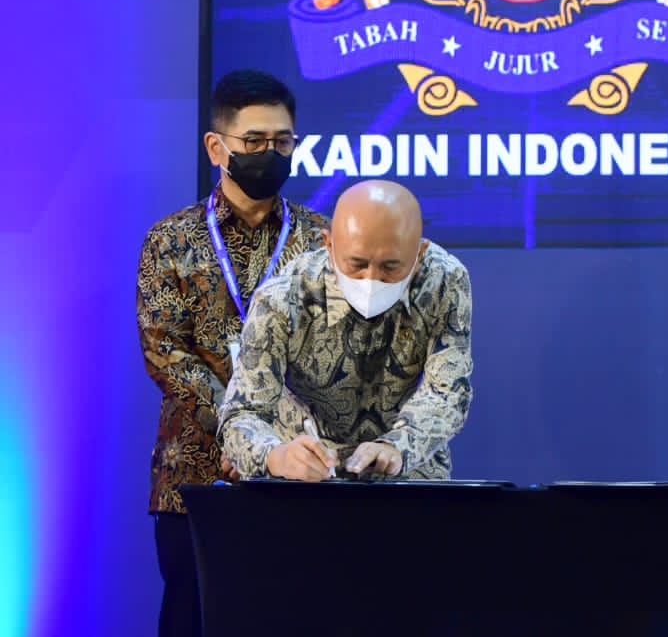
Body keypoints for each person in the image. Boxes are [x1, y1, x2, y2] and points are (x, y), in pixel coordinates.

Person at [137, 70, 326, 637]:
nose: (270, 153)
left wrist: (274, 444)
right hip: (194, 473)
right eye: (254, 142)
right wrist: (241, 438)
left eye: (282, 142)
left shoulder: (322, 241)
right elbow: (166, 353)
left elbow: (332, 352)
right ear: (217, 147)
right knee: (195, 616)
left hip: (298, 473)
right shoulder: (170, 239)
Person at [218, 179, 472, 482]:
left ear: (419, 254)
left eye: (391, 267)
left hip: (407, 473)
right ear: (329, 245)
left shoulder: (444, 280)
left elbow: (446, 393)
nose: (371, 279)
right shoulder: (284, 296)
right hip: (306, 477)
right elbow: (241, 414)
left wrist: (397, 446)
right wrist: (275, 456)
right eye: (357, 264)